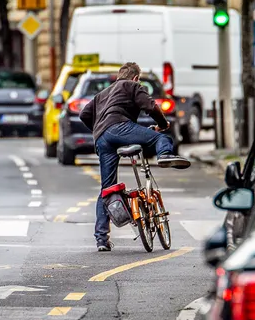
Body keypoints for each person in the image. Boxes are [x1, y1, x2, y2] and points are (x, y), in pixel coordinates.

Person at [80, 62, 190, 252]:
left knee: (107, 189)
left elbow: (84, 114)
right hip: (120, 127)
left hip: (103, 138)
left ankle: (101, 240)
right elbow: (151, 106)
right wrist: (163, 124)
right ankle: (164, 155)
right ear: (136, 77)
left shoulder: (102, 94)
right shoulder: (132, 86)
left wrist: (99, 130)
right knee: (161, 138)